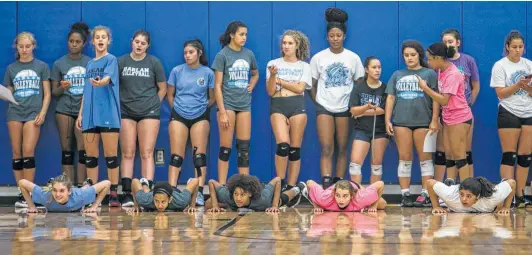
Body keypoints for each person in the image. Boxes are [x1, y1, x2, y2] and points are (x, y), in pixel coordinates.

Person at [310, 8, 364, 188]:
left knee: (341, 148)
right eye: (331, 35)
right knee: (326, 148)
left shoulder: (353, 58)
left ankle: (339, 184)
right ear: (327, 37)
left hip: (345, 108)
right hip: (324, 107)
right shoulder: (318, 58)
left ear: (344, 36)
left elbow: (360, 82)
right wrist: (318, 101)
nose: (335, 38)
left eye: (338, 35)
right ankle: (326, 184)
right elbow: (312, 84)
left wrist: (352, 104)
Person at [385, 40, 439, 207]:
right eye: (406, 55)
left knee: (425, 159)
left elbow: (436, 98)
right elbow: (391, 97)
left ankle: (426, 193)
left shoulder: (429, 74)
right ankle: (405, 194)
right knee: (405, 158)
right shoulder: (397, 75)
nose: (409, 58)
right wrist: (387, 119)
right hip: (401, 122)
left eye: (413, 55)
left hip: (424, 122)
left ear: (419, 55)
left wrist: (434, 119)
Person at [118, 29, 167, 207]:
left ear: (148, 46)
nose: (139, 45)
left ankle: (147, 192)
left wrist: (154, 104)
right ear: (132, 42)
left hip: (149, 112)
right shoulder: (121, 61)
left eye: (143, 43)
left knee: (147, 153)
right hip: (126, 111)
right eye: (137, 42)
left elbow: (162, 88)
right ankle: (126, 193)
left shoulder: (154, 63)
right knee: (128, 153)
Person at [3, 32, 51, 207]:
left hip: (33, 114)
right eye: (21, 46)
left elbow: (47, 93)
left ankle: (29, 191)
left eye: (27, 46)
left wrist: (43, 112)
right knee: (17, 153)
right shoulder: (11, 68)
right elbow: (8, 93)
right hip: (15, 113)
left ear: (33, 46)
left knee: (28, 151)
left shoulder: (42, 66)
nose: (24, 50)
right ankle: (21, 193)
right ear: (17, 47)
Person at [76, 25, 121, 207]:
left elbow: (106, 80)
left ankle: (113, 193)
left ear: (108, 41)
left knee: (111, 156)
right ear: (92, 41)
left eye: (104, 37)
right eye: (97, 37)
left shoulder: (111, 60)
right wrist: (81, 114)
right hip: (89, 115)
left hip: (108, 112)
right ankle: (91, 194)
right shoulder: (88, 64)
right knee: (91, 157)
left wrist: (99, 82)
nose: (101, 40)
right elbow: (86, 92)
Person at [166, 39, 214, 206]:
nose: (187, 55)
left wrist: (199, 108)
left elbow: (212, 97)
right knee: (176, 157)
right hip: (179, 115)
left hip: (200, 115)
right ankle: (170, 193)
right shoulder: (176, 71)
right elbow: (170, 94)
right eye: (185, 52)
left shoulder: (208, 73)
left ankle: (199, 193)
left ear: (199, 53)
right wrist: (179, 109)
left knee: (199, 157)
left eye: (191, 52)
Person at [212, 21, 259, 184]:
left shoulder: (249, 54)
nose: (244, 37)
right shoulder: (222, 55)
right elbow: (217, 85)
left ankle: (245, 187)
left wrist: (252, 84)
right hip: (228, 106)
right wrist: (222, 112)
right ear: (232, 35)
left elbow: (255, 73)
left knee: (244, 149)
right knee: (225, 149)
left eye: (246, 34)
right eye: (241, 34)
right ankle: (222, 187)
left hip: (244, 105)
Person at [490, 30, 532, 208]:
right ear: (507, 47)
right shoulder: (500, 66)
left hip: (528, 111)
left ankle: (520, 195)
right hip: (508, 111)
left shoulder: (529, 64)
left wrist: (528, 88)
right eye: (514, 47)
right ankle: (507, 195)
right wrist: (518, 84)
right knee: (510, 155)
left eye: (520, 47)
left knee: (525, 157)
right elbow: (500, 93)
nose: (517, 50)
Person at [421, 42, 473, 183]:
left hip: (460, 117)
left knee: (459, 156)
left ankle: (467, 191)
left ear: (439, 58)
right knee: (449, 155)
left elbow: (444, 100)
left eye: (430, 59)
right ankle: (450, 186)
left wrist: (425, 89)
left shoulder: (453, 74)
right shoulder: (440, 71)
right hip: (448, 117)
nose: (428, 61)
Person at [266, 30, 312, 192]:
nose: (286, 46)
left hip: (297, 106)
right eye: (284, 43)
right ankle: (280, 182)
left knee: (294, 148)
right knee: (283, 145)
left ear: (297, 45)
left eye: (290, 43)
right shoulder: (273, 63)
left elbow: (300, 88)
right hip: (278, 105)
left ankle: (291, 188)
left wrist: (280, 80)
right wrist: (273, 77)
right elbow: (271, 91)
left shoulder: (304, 66)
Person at [434, 29, 480, 181]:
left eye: (450, 41)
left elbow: (475, 85)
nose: (448, 45)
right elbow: (438, 90)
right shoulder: (440, 65)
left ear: (458, 43)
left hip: (461, 113)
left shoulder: (468, 61)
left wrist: (469, 102)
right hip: (445, 112)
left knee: (464, 151)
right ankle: (449, 186)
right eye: (445, 42)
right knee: (447, 152)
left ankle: (469, 187)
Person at [51, 22, 91, 187]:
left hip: (84, 110)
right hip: (64, 110)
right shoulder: (59, 63)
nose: (74, 44)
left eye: (77, 42)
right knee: (67, 151)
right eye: (71, 41)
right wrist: (62, 87)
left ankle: (81, 188)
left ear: (84, 44)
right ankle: (67, 188)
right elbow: (54, 92)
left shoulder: (90, 62)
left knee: (83, 151)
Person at [348, 56, 388, 184]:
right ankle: (356, 193)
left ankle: (373, 196)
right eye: (374, 67)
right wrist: (367, 107)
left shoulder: (385, 88)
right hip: (362, 130)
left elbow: (383, 110)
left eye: (379, 67)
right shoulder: (359, 87)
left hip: (380, 131)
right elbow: (353, 111)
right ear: (366, 69)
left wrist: (361, 112)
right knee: (355, 164)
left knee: (376, 165)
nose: (377, 70)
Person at [205, 174, 307, 212]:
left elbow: (277, 180)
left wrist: (275, 206)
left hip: (266, 195)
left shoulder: (263, 199)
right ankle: (228, 207)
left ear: (249, 194)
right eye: (236, 194)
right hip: (234, 204)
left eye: (242, 194)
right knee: (208, 204)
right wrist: (215, 206)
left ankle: (299, 188)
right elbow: (211, 182)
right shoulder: (228, 195)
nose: (238, 198)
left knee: (281, 200)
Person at [18, 173, 110, 213]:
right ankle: (52, 182)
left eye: (61, 191)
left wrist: (94, 206)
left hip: (78, 192)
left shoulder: (80, 196)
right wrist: (31, 206)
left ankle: (87, 184)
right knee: (52, 185)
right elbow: (22, 182)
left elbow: (107, 183)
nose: (57, 195)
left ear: (69, 192)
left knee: (83, 189)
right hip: (53, 188)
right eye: (55, 190)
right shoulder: (46, 196)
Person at [427, 177, 515, 214]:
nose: (464, 199)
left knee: (499, 196)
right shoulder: (451, 195)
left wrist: (506, 207)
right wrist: (436, 207)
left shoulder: (492, 198)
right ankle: (450, 185)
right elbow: (430, 183)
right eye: (461, 195)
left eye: (469, 196)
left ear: (478, 196)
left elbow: (512, 183)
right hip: (451, 194)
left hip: (493, 195)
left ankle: (501, 185)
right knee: (445, 199)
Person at [304, 179, 387, 213]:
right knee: (319, 199)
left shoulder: (360, 198)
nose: (341, 200)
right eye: (337, 195)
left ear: (351, 196)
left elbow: (380, 184)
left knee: (382, 205)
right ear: (333, 194)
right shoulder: (324, 199)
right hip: (334, 187)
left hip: (354, 186)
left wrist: (373, 206)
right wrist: (316, 205)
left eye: (345, 196)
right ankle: (309, 194)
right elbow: (309, 183)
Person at [130, 178, 199, 212]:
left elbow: (196, 181)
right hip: (152, 192)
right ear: (153, 198)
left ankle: (189, 183)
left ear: (170, 200)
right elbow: (134, 181)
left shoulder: (182, 200)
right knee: (146, 193)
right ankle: (144, 183)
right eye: (157, 201)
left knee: (189, 190)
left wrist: (192, 205)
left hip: (174, 191)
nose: (160, 206)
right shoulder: (145, 199)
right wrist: (136, 205)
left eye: (163, 202)